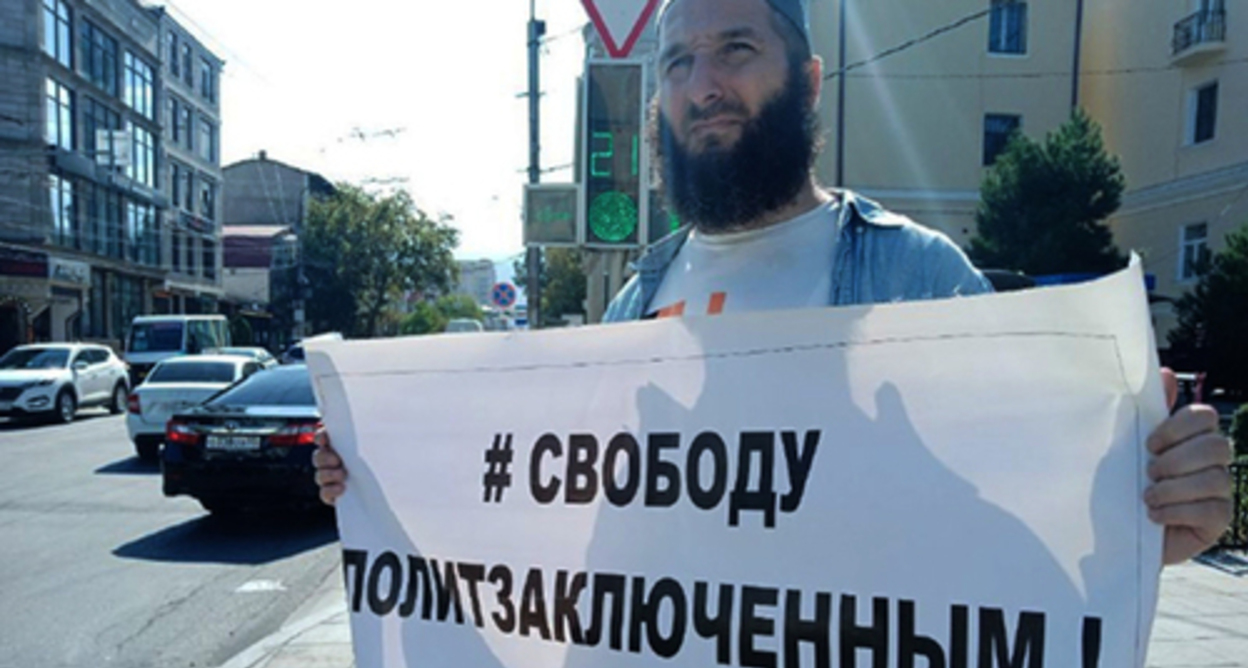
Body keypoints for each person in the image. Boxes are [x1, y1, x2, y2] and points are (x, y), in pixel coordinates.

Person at [315, 0, 1233, 565]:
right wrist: (384, 468)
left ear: (809, 79)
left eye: (736, 50)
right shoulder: (642, 293)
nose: (701, 82)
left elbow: (1021, 512)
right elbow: (568, 506)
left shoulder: (914, 279)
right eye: (677, 61)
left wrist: (1149, 521)